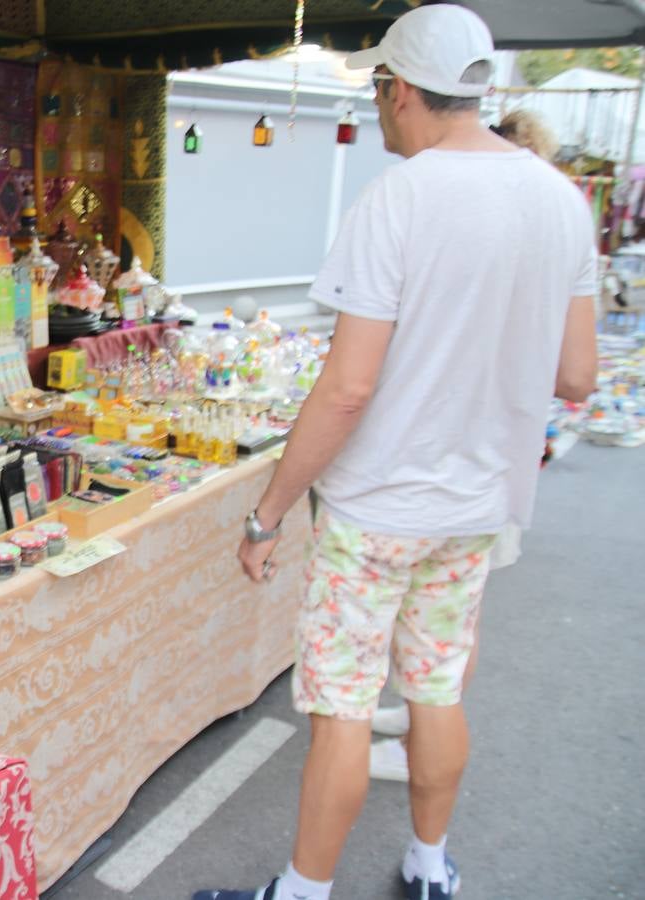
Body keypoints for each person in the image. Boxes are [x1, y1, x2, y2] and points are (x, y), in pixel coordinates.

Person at [192, 6, 599, 900]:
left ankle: (303, 891)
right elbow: (576, 376)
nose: (378, 107)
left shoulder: (400, 199)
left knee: (340, 703)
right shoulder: (560, 201)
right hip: (479, 505)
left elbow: (346, 389)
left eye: (378, 88)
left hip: (376, 507)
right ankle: (428, 865)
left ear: (402, 89)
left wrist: (266, 514)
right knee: (438, 687)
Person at [368, 104, 566, 783]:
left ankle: (421, 740)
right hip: (488, 464)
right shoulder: (551, 226)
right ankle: (419, 729)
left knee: (449, 629)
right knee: (441, 622)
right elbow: (575, 371)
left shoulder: (481, 228)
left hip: (459, 461)